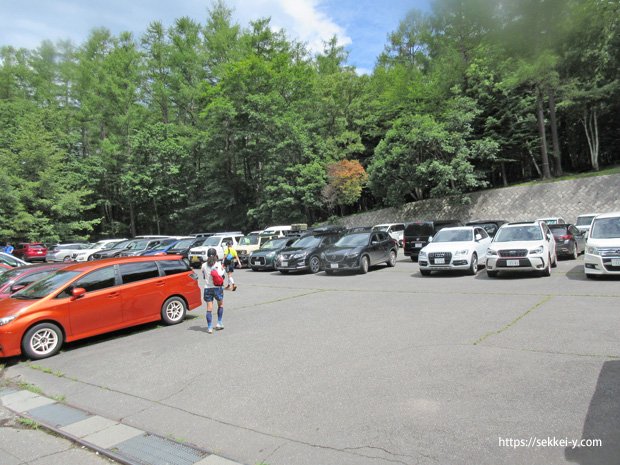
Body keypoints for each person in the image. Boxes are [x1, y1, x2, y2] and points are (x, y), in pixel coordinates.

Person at [201, 247, 226, 334]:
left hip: (207, 288)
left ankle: (209, 327)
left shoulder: (203, 265)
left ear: (207, 256)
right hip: (217, 288)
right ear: (216, 256)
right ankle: (219, 323)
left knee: (209, 308)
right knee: (221, 305)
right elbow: (221, 275)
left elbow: (204, 276)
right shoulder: (218, 264)